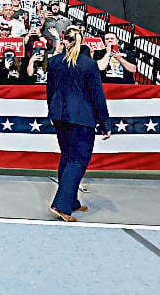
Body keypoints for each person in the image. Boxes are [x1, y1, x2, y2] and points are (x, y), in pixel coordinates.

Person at [46, 28, 112, 222]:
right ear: (81, 42)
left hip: (59, 116)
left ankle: (72, 200)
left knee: (67, 157)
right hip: (81, 118)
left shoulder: (55, 62)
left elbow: (50, 90)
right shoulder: (88, 64)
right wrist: (105, 123)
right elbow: (97, 95)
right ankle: (61, 204)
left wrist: (52, 111)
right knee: (78, 160)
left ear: (65, 41)